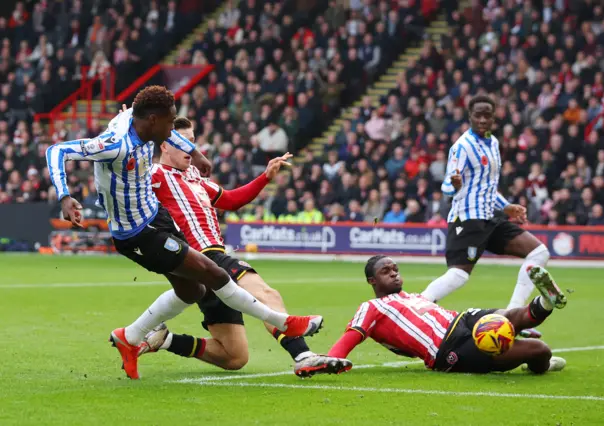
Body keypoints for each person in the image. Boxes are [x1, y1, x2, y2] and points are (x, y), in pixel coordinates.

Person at [45, 86, 323, 380]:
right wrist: (65, 196)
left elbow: (228, 197)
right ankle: (285, 323)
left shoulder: (154, 135)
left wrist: (195, 153)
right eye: (170, 121)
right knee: (215, 275)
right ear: (153, 120)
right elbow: (57, 150)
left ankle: (130, 336)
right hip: (137, 234)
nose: (172, 128)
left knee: (194, 292)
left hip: (157, 218)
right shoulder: (116, 145)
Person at [141, 117, 351, 377]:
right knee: (267, 294)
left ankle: (165, 339)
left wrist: (264, 177)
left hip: (202, 270)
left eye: (193, 142)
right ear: (164, 146)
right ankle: (303, 355)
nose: (192, 149)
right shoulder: (154, 175)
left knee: (234, 356)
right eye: (184, 142)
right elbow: (128, 186)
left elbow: (230, 200)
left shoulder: (195, 177)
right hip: (204, 256)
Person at [423, 94, 551, 338]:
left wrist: (506, 207)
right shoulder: (461, 146)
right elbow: (447, 188)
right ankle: (418, 308)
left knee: (539, 252)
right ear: (469, 116)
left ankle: (514, 317)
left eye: (487, 115)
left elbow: (486, 186)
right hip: (467, 219)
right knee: (458, 276)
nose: (482, 119)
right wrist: (455, 184)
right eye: (477, 115)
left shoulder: (492, 143)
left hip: (490, 218)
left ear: (494, 117)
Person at [328, 255, 568, 374]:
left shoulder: (413, 296)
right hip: (449, 348)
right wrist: (331, 359)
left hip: (462, 319)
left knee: (509, 315)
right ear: (372, 280)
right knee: (539, 349)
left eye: (395, 269)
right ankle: (540, 364)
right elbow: (353, 334)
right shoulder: (372, 307)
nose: (394, 274)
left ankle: (546, 302)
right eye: (385, 271)